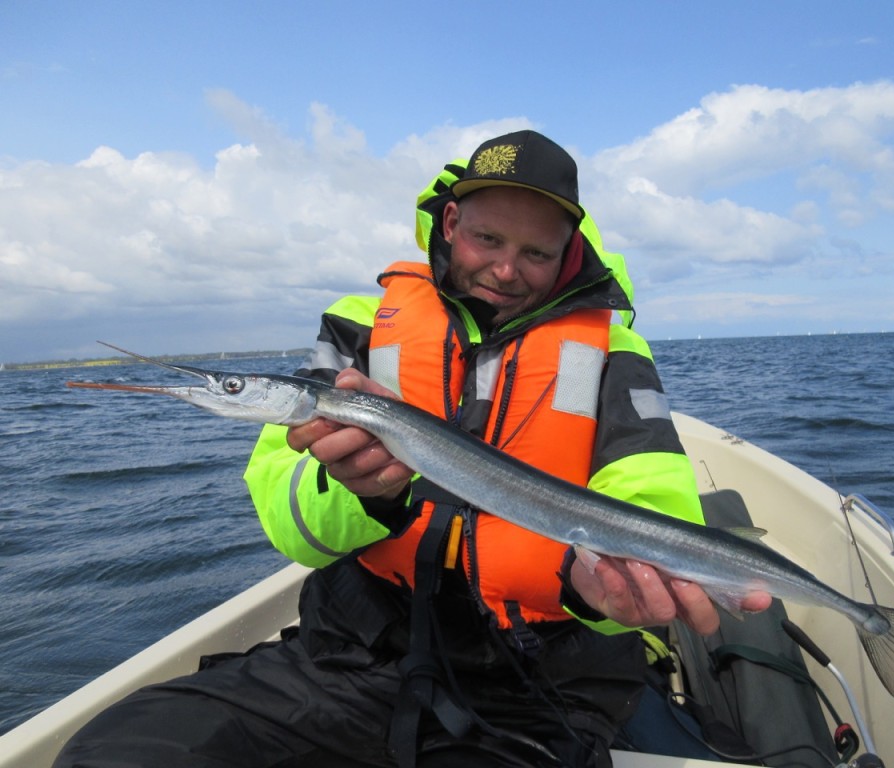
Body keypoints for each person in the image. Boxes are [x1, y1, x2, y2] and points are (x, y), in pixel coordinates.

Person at [54, 130, 768, 768]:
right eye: (489, 240)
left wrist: (597, 595)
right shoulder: (361, 328)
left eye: (536, 253)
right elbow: (287, 518)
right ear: (451, 221)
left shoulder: (613, 349)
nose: (508, 270)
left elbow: (652, 499)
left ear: (569, 253)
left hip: (542, 678)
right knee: (118, 749)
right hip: (355, 653)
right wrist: (366, 493)